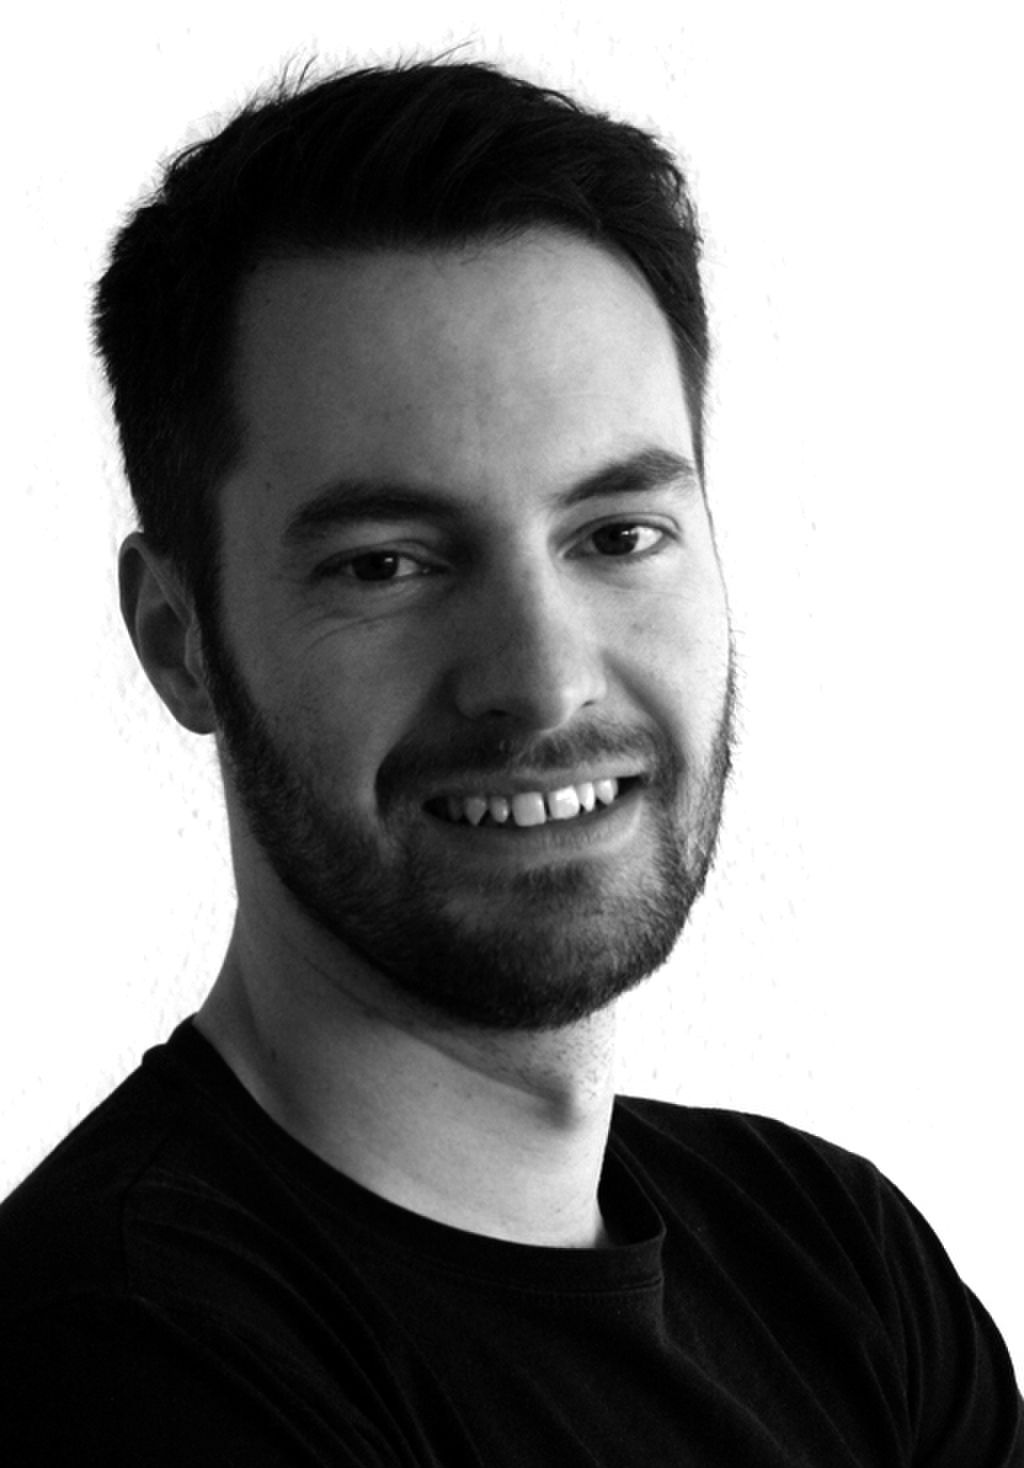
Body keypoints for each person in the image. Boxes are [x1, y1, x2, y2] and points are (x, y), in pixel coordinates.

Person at [0, 57, 1020, 1465]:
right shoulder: (113, 1361)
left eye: (617, 536)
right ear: (180, 641)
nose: (541, 681)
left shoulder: (842, 1265)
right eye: (388, 564)